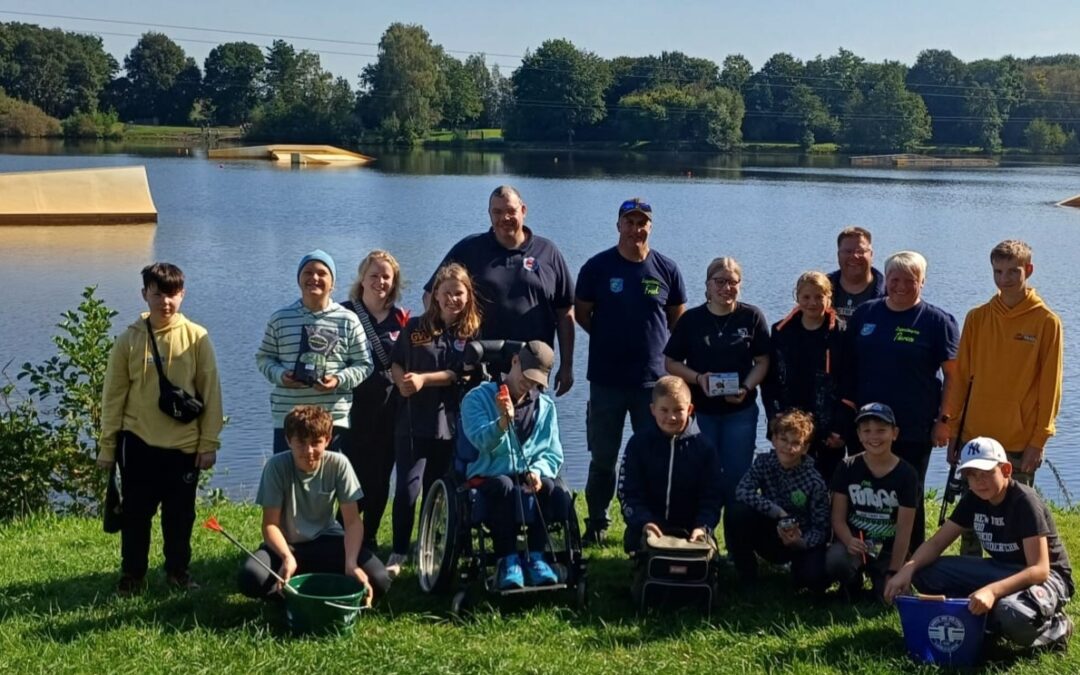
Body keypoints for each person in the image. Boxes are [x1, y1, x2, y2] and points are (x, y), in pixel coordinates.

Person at [98, 263, 224, 594]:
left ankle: (178, 572)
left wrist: (208, 443)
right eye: (157, 294)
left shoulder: (197, 337)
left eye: (172, 295)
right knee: (135, 515)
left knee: (180, 517)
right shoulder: (128, 340)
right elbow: (113, 398)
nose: (165, 302)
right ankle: (132, 576)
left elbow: (211, 393)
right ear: (145, 295)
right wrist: (107, 448)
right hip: (138, 443)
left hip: (184, 447)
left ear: (181, 295)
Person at [884, 437, 1073, 650]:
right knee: (923, 571)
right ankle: (984, 619)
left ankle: (1057, 629)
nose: (978, 482)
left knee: (1010, 612)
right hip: (1004, 571)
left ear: (1006, 470)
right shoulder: (974, 498)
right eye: (972, 476)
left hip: (1048, 579)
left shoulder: (1024, 501)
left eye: (986, 473)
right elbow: (936, 543)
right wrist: (906, 570)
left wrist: (992, 591)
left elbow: (1039, 569)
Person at [576, 198, 688, 545]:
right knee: (603, 457)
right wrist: (610, 337)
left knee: (652, 455)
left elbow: (677, 319)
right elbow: (582, 314)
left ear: (650, 227)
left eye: (642, 223)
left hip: (652, 384)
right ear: (618, 225)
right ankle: (597, 520)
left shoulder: (666, 269)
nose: (635, 229)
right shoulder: (597, 267)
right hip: (607, 380)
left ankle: (650, 523)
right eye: (629, 222)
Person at [843, 250, 959, 548]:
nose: (901, 286)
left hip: (914, 424)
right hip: (867, 426)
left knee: (909, 495)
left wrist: (944, 421)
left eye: (911, 280)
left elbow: (954, 377)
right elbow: (848, 365)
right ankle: (861, 559)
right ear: (886, 280)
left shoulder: (937, 321)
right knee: (865, 493)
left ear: (923, 281)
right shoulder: (866, 314)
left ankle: (908, 564)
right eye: (895, 279)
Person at [424, 185, 575, 394]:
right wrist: (446, 341)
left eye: (511, 211)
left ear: (523, 210)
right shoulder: (470, 249)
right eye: (497, 212)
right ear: (489, 214)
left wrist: (566, 366)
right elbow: (431, 295)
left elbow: (565, 312)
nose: (504, 218)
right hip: (478, 368)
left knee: (530, 425)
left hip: (530, 371)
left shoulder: (547, 252)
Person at [664, 256, 769, 549]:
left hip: (740, 413)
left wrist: (747, 387)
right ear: (708, 286)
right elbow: (671, 362)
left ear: (740, 285)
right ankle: (699, 542)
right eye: (719, 282)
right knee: (702, 479)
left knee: (737, 483)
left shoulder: (752, 317)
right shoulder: (692, 320)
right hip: (702, 414)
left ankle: (738, 549)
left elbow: (763, 362)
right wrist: (699, 379)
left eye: (732, 282)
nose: (726, 288)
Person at [237, 405, 390, 604]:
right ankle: (296, 582)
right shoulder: (276, 466)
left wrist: (351, 562)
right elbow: (270, 525)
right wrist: (286, 557)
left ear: (327, 440)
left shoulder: (339, 464)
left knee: (380, 580)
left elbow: (352, 522)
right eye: (301, 443)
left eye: (316, 442)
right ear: (288, 440)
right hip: (288, 545)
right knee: (250, 578)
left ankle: (295, 587)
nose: (309, 451)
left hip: (327, 540)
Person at [386, 262, 481, 575]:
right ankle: (399, 550)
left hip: (449, 425)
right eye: (446, 293)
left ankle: (430, 546)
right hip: (412, 422)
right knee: (406, 489)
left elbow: (461, 374)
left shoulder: (473, 333)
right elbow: (396, 361)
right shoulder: (415, 328)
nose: (452, 299)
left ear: (467, 297)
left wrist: (424, 380)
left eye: (459, 293)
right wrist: (401, 380)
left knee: (438, 489)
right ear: (435, 296)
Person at [944, 240, 1063, 486]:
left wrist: (1038, 441)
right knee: (972, 516)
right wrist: (953, 430)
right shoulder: (977, 317)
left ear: (1028, 271)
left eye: (1013, 271)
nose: (1004, 279)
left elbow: (1050, 387)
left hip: (1019, 442)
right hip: (974, 436)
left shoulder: (1047, 322)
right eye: (998, 271)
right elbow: (962, 377)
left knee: (1014, 517)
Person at [460, 341, 567, 589]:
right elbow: (478, 440)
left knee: (549, 487)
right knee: (504, 484)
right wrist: (501, 424)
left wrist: (538, 472)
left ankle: (537, 557)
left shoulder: (545, 407)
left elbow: (552, 453)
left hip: (528, 476)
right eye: (527, 377)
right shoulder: (476, 398)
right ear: (515, 362)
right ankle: (507, 559)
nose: (529, 384)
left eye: (536, 381)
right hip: (489, 474)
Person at [255, 250, 372, 454]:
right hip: (288, 417)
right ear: (299, 279)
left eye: (321, 273)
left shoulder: (348, 320)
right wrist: (280, 375)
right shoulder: (280, 319)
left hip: (331, 418)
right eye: (308, 272)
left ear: (332, 283)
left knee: (327, 484)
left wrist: (338, 380)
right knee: (287, 481)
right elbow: (264, 358)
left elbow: (364, 364)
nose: (314, 278)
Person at [342, 250, 411, 550]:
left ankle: (368, 535)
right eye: (374, 275)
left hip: (390, 409)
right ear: (362, 278)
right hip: (352, 409)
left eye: (386, 276)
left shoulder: (403, 318)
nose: (379, 281)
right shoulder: (344, 313)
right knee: (350, 473)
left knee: (381, 475)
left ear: (394, 281)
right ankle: (343, 532)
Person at [616, 376, 722, 552]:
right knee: (638, 548)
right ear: (652, 410)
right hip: (649, 527)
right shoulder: (638, 444)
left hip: (691, 529)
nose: (671, 417)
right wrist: (644, 522)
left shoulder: (705, 448)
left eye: (678, 410)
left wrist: (702, 526)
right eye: (664, 410)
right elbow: (628, 491)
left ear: (690, 409)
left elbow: (713, 496)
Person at [729, 409, 830, 592]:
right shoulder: (763, 462)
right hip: (770, 530)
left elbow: (821, 528)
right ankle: (748, 577)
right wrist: (778, 512)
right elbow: (742, 491)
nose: (788, 448)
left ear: (805, 448)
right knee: (736, 512)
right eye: (783, 440)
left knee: (813, 582)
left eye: (796, 443)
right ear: (774, 440)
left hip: (801, 539)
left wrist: (801, 542)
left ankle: (800, 572)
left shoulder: (815, 481)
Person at [826, 403, 918, 602]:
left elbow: (904, 529)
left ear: (894, 433)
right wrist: (849, 540)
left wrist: (894, 571)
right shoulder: (847, 466)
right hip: (855, 543)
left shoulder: (907, 474)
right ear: (858, 435)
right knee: (835, 561)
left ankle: (882, 579)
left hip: (887, 548)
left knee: (891, 598)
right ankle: (852, 582)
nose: (873, 437)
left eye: (881, 430)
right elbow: (837, 517)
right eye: (866, 431)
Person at [762, 271, 848, 483]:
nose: (812, 303)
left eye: (819, 297)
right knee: (789, 483)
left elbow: (850, 381)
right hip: (790, 425)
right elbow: (770, 380)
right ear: (797, 297)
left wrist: (841, 427)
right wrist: (775, 418)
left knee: (827, 484)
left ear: (829, 297)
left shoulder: (842, 332)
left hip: (829, 428)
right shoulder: (781, 331)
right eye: (806, 297)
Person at [827, 226, 885, 324]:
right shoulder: (819, 289)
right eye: (848, 251)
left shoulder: (890, 293)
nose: (854, 256)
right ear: (838, 255)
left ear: (871, 254)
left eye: (860, 251)